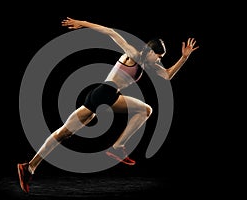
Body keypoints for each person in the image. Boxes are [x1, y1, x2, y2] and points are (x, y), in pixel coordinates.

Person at [17, 17, 199, 193]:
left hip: (102, 95)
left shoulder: (148, 65)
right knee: (145, 110)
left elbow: (167, 75)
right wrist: (81, 23)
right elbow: (111, 32)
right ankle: (117, 147)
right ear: (150, 51)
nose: (159, 60)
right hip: (105, 92)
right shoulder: (133, 55)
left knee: (64, 133)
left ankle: (29, 166)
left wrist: (183, 58)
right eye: (158, 56)